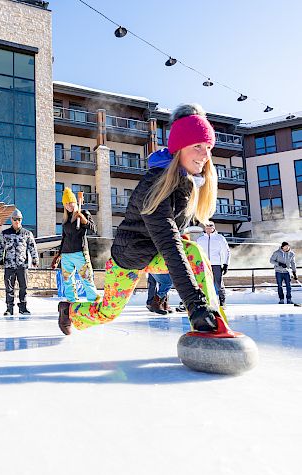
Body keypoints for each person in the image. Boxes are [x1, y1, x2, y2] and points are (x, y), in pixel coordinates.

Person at [57, 103, 223, 335]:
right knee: (107, 313)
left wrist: (201, 308)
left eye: (208, 147)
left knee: (194, 253)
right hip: (128, 257)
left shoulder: (186, 184)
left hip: (155, 254)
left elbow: (173, 233)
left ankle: (214, 318)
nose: (205, 155)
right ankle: (69, 310)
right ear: (179, 148)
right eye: (197, 146)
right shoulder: (155, 185)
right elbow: (168, 242)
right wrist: (194, 305)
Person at [51, 187, 99, 303]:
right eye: (66, 204)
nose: (69, 206)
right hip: (66, 254)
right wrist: (58, 255)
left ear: (75, 202)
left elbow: (94, 229)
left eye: (70, 203)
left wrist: (83, 220)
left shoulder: (83, 213)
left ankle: (93, 300)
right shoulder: (65, 220)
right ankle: (71, 301)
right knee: (67, 279)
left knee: (86, 276)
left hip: (80, 252)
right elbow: (64, 238)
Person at [0, 208, 38, 315]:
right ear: (11, 219)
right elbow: (0, 247)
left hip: (22, 265)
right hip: (9, 265)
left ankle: (23, 308)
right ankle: (9, 309)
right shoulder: (4, 233)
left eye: (19, 219)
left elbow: (32, 247)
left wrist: (35, 259)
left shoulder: (27, 233)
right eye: (15, 219)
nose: (17, 221)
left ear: (21, 220)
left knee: (23, 287)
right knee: (9, 287)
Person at [196, 221, 230, 307]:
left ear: (214, 228)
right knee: (204, 283)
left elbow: (226, 251)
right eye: (207, 226)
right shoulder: (200, 239)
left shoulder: (220, 238)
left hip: (216, 264)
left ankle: (222, 301)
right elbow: (197, 252)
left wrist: (225, 264)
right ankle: (206, 301)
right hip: (204, 264)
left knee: (218, 283)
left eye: (211, 226)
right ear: (205, 228)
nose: (209, 228)